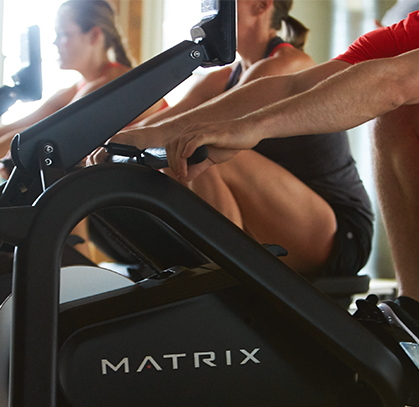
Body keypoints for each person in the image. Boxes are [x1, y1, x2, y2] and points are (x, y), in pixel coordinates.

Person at [153, 0, 419, 407]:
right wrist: (142, 135)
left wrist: (252, 128)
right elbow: (297, 86)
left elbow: (393, 82)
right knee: (397, 112)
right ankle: (416, 312)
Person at [93, 0, 373, 277]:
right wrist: (100, 145)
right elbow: (161, 123)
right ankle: (203, 271)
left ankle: (225, 280)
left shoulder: (288, 64)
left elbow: (202, 123)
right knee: (176, 151)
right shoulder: (224, 78)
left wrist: (136, 139)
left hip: (339, 234)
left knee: (202, 147)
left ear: (261, 6)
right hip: (280, 220)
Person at [0, 0, 165, 177]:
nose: (54, 42)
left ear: (94, 35)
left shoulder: (112, 83)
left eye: (64, 34)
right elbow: (11, 132)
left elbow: (35, 137)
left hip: (153, 189)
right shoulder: (73, 90)